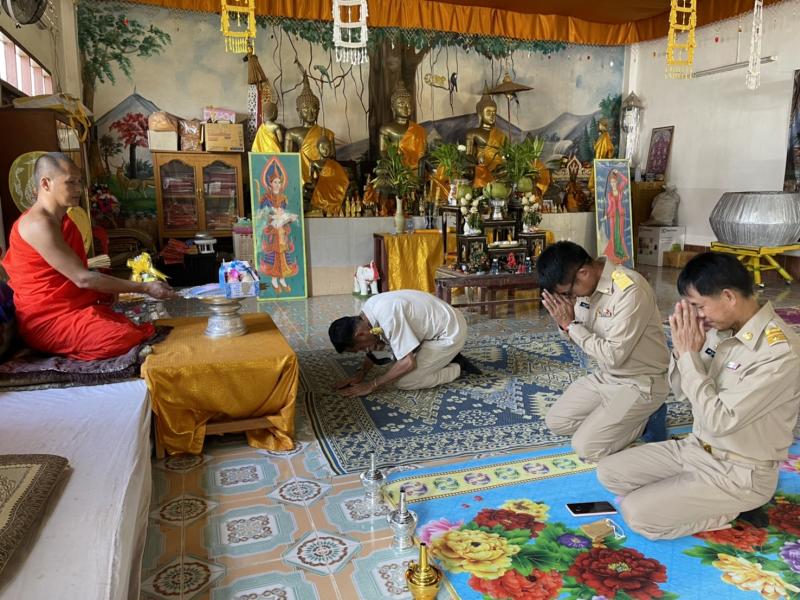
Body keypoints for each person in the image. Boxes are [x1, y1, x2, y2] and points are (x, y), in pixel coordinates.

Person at [597, 253, 800, 540]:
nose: (698, 315)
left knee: (637, 514)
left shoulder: (779, 353)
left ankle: (736, 509)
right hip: (695, 449)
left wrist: (690, 356)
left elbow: (719, 420)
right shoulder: (721, 330)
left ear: (728, 296)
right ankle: (689, 492)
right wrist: (683, 351)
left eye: (699, 306)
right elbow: (682, 391)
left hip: (739, 471)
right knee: (609, 472)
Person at [2, 152, 178, 361]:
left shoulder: (64, 220)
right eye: (71, 182)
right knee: (122, 337)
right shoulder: (38, 225)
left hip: (72, 307)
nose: (79, 189)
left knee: (130, 327)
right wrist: (145, 287)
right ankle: (57, 352)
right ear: (46, 184)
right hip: (47, 319)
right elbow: (83, 279)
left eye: (79, 182)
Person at [537, 241, 669, 462]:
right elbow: (576, 333)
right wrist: (565, 325)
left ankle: (647, 417)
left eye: (568, 293)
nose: (570, 298)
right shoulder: (585, 289)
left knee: (586, 447)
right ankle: (624, 416)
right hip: (607, 377)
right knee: (557, 422)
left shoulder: (629, 290)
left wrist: (571, 325)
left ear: (584, 273)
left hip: (640, 382)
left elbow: (613, 356)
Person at [328, 290, 479, 396]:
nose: (364, 350)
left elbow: (408, 362)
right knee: (390, 361)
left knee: (405, 381)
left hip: (449, 333)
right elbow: (373, 347)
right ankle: (440, 358)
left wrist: (372, 385)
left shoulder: (388, 317)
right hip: (436, 324)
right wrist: (361, 374)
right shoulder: (367, 312)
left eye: (360, 348)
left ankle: (457, 367)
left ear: (360, 334)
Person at [284, 73, 336, 184]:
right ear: (298, 111)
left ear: (318, 110)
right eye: (305, 109)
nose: (310, 113)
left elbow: (333, 161)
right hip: (301, 178)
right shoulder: (291, 133)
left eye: (314, 109)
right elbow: (288, 162)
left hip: (324, 179)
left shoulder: (328, 133)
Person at [258, 157, 299, 293]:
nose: (277, 184)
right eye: (275, 182)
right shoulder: (266, 198)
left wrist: (287, 217)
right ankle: (274, 280)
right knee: (274, 254)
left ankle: (282, 279)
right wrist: (271, 215)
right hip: (273, 230)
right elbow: (263, 214)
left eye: (279, 182)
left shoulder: (283, 198)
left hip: (282, 230)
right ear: (270, 183)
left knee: (284, 254)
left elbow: (284, 212)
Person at [465, 91, 507, 188]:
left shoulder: (501, 134)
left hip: (497, 168)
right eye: (488, 112)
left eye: (494, 113)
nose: (492, 115)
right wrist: (477, 160)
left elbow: (504, 155)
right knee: (467, 171)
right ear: (480, 113)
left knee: (506, 170)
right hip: (480, 166)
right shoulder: (473, 133)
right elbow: (468, 154)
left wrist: (504, 160)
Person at [601, 168, 630, 264]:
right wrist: (606, 215)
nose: (613, 184)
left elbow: (626, 180)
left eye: (614, 182)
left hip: (620, 214)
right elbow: (609, 206)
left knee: (620, 233)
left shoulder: (620, 189)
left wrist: (619, 173)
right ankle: (614, 253)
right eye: (611, 182)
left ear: (617, 182)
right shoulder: (609, 194)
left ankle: (621, 252)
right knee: (613, 234)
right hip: (612, 215)